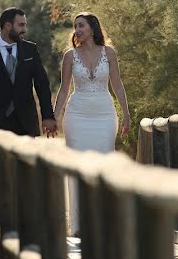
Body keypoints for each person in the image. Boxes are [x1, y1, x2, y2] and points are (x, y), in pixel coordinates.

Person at [53, 12, 131, 234]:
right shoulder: (70, 56)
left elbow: (117, 85)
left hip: (105, 116)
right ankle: (78, 225)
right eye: (75, 26)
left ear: (92, 28)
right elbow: (64, 89)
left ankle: (103, 222)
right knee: (77, 167)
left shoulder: (109, 53)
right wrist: (53, 116)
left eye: (81, 25)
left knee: (103, 165)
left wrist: (126, 113)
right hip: (77, 116)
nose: (77, 29)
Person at [0, 7, 58, 137]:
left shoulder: (31, 50)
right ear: (8, 26)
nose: (24, 30)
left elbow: (42, 85)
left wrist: (48, 116)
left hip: (26, 124)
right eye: (21, 25)